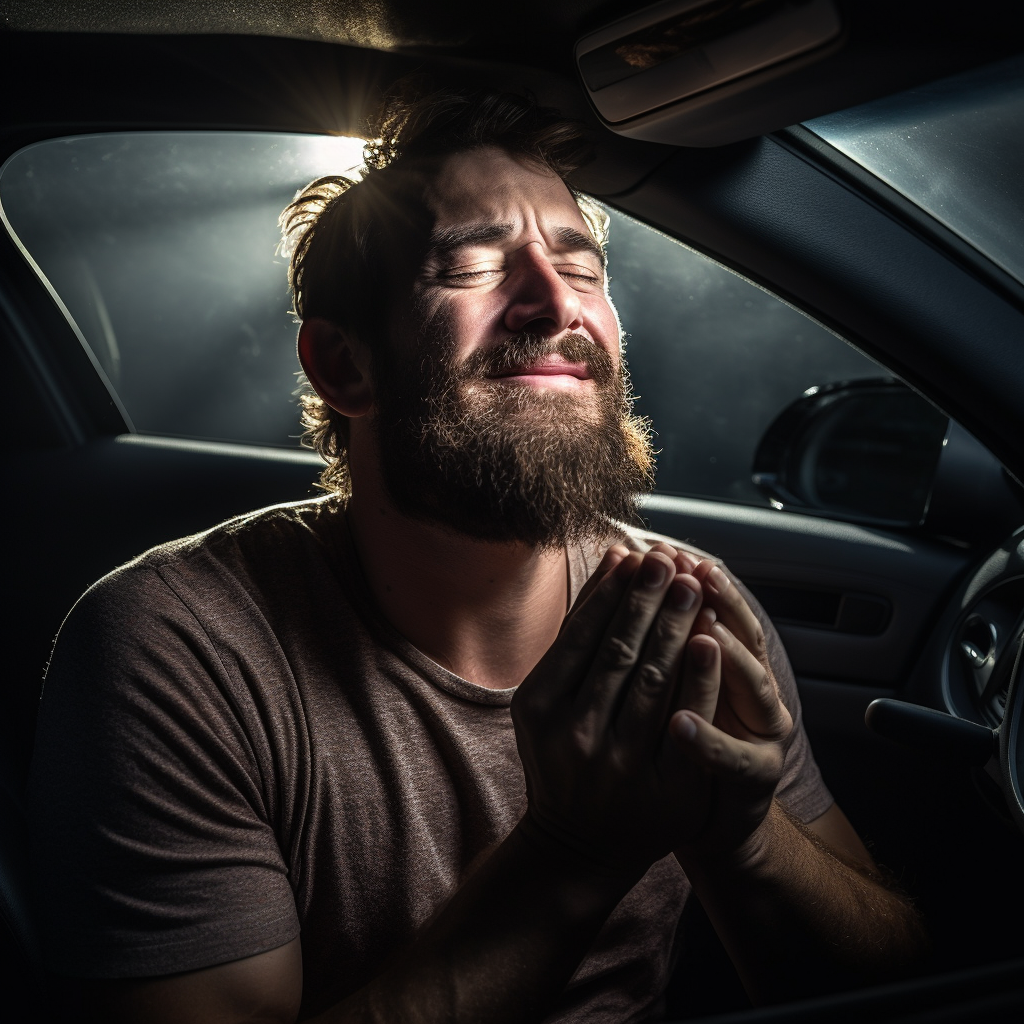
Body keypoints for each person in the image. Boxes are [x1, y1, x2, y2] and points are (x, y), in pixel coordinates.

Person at [28, 86, 925, 1023]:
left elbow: (902, 989)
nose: (553, 304)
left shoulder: (680, 608)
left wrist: (743, 838)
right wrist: (570, 853)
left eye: (582, 270)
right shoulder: (175, 650)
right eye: (472, 267)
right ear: (343, 366)